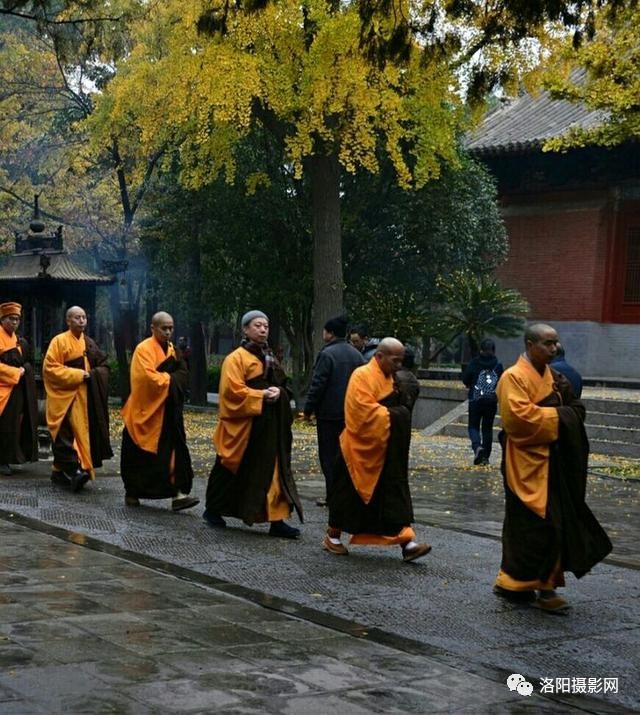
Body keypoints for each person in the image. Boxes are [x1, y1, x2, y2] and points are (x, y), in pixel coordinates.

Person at [494, 323, 612, 612]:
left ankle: (540, 585)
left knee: (553, 523)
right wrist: (563, 414)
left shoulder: (556, 377)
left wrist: (564, 412)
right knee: (528, 525)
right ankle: (518, 582)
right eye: (548, 343)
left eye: (556, 343)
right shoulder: (513, 377)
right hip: (525, 462)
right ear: (530, 344)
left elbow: (577, 409)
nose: (554, 348)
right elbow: (519, 420)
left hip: (553, 462)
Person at [324, 338, 431, 562]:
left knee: (393, 495)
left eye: (402, 361)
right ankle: (333, 536)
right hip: (358, 449)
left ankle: (407, 542)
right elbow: (362, 414)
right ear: (379, 356)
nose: (399, 365)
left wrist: (398, 410)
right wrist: (397, 415)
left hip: (386, 450)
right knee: (347, 497)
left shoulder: (392, 378)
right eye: (395, 360)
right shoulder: (361, 376)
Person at [203, 310, 303, 538]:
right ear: (246, 330)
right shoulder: (235, 358)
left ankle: (277, 520)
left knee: (274, 470)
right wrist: (260, 396)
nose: (263, 329)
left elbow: (283, 384)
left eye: (266, 326)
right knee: (230, 468)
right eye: (257, 325)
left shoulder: (270, 357)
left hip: (270, 426)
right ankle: (213, 509)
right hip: (245, 426)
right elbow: (231, 392)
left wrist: (280, 391)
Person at [120, 312, 199, 511]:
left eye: (171, 328)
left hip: (166, 412)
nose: (168, 332)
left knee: (173, 452)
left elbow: (182, 373)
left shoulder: (172, 350)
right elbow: (145, 379)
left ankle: (178, 494)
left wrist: (172, 377)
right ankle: (134, 491)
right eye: (164, 328)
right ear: (152, 328)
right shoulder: (143, 349)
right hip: (144, 411)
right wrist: (172, 379)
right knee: (139, 456)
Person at [43, 306, 112, 492]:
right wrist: (79, 375)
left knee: (82, 434)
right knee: (65, 434)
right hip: (64, 397)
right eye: (77, 317)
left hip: (84, 398)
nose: (81, 321)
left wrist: (96, 374)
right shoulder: (59, 341)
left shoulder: (89, 343)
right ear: (68, 321)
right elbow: (50, 369)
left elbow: (104, 365)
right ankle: (75, 471)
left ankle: (60, 472)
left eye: (84, 317)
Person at [303, 315, 365, 506]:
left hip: (329, 414)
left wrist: (308, 409)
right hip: (351, 414)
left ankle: (333, 496)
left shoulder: (327, 354)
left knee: (329, 456)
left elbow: (318, 384)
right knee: (347, 456)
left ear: (329, 333)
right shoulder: (357, 355)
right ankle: (347, 495)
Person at [0, 302, 38, 476]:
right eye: (10, 319)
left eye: (17, 319)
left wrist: (25, 370)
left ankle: (10, 457)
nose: (14, 323)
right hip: (3, 388)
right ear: (2, 319)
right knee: (4, 424)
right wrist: (16, 372)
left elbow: (28, 362)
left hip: (17, 389)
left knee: (14, 424)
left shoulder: (19, 340)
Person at [462, 338, 504, 465]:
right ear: (493, 350)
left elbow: (466, 379)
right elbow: (502, 381)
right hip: (490, 400)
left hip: (475, 398)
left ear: (481, 349)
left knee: (473, 426)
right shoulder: (498, 365)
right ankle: (485, 456)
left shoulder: (474, 363)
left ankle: (477, 447)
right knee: (487, 428)